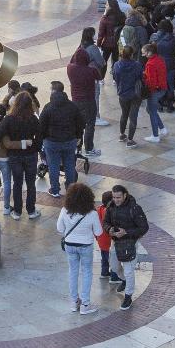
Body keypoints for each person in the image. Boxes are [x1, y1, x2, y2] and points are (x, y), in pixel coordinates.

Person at [0, 91, 40, 219]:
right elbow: (40, 138)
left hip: (15, 156)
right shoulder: (33, 119)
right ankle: (31, 211)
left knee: (17, 183)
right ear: (29, 104)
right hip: (31, 155)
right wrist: (33, 147)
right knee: (31, 183)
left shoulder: (9, 119)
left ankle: (17, 212)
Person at [57, 182, 103, 314]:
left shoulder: (65, 211)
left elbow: (59, 229)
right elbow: (99, 232)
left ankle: (74, 302)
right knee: (87, 272)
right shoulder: (92, 213)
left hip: (70, 245)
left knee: (73, 272)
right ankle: (85, 304)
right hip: (86, 246)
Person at [102, 184, 148, 311]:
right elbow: (105, 222)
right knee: (114, 266)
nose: (116, 200)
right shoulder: (111, 206)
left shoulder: (135, 208)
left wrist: (126, 232)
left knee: (128, 271)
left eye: (118, 197)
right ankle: (124, 280)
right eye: (114, 197)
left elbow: (144, 227)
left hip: (130, 243)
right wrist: (110, 229)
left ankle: (128, 296)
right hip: (116, 242)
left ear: (125, 195)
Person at [39, 81, 84, 198]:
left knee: (53, 166)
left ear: (53, 93)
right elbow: (80, 123)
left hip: (52, 142)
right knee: (69, 165)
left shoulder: (48, 107)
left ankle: (55, 190)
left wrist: (43, 137)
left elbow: (41, 125)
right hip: (70, 141)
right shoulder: (72, 106)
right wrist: (78, 136)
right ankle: (71, 189)